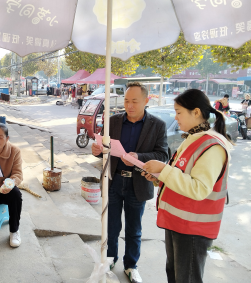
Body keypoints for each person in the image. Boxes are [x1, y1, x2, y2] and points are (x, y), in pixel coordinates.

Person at [141, 89, 232, 283]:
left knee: (186, 278)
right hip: (178, 223)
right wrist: (159, 178)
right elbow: (182, 177)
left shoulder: (212, 146)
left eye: (179, 112)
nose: (176, 117)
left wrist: (164, 170)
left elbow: (199, 188)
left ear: (196, 112)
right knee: (174, 275)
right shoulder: (193, 139)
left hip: (193, 229)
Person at [92, 82, 168, 283]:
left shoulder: (157, 125)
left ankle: (131, 265)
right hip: (114, 181)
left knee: (134, 229)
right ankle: (110, 259)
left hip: (138, 183)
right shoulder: (113, 121)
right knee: (111, 226)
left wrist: (139, 156)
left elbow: (163, 155)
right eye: (126, 100)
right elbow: (106, 150)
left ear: (146, 100)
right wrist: (98, 151)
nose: (130, 105)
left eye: (135, 101)